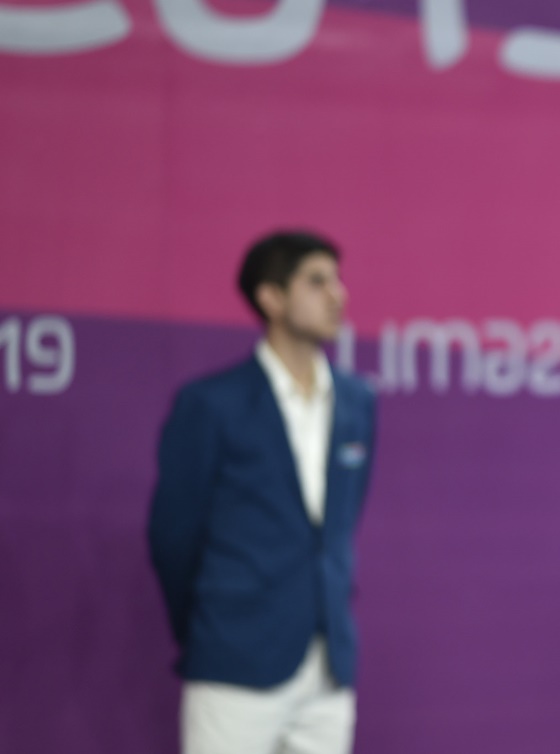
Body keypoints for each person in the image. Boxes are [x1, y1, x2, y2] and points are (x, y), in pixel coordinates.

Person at [148, 230, 377, 754]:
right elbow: (173, 538)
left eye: (338, 280)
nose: (337, 294)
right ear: (271, 298)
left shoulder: (357, 401)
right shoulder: (211, 404)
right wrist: (216, 625)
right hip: (234, 662)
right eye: (316, 281)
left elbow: (338, 527)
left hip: (328, 668)